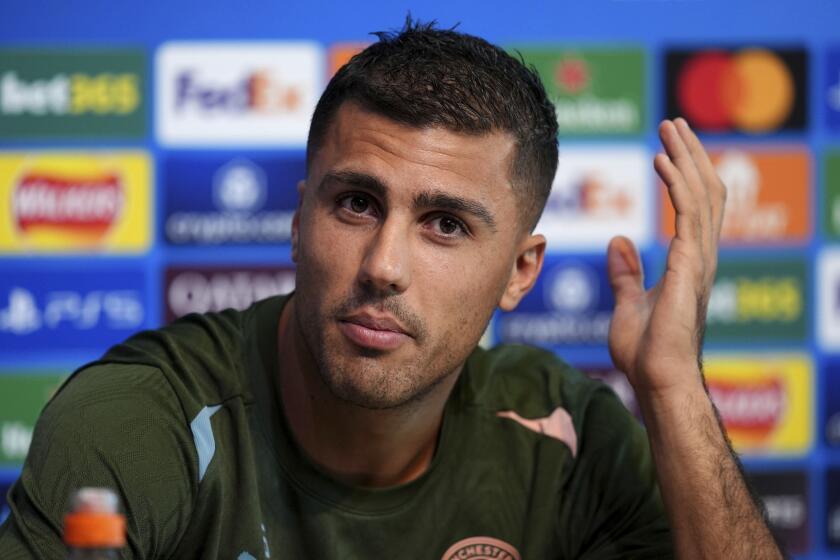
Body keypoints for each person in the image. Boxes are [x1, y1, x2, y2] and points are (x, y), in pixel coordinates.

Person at [0, 20, 783, 559]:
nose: (383, 264)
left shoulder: (564, 439)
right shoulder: (138, 422)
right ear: (300, 219)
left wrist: (675, 386)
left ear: (520, 272)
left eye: (445, 224)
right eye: (356, 203)